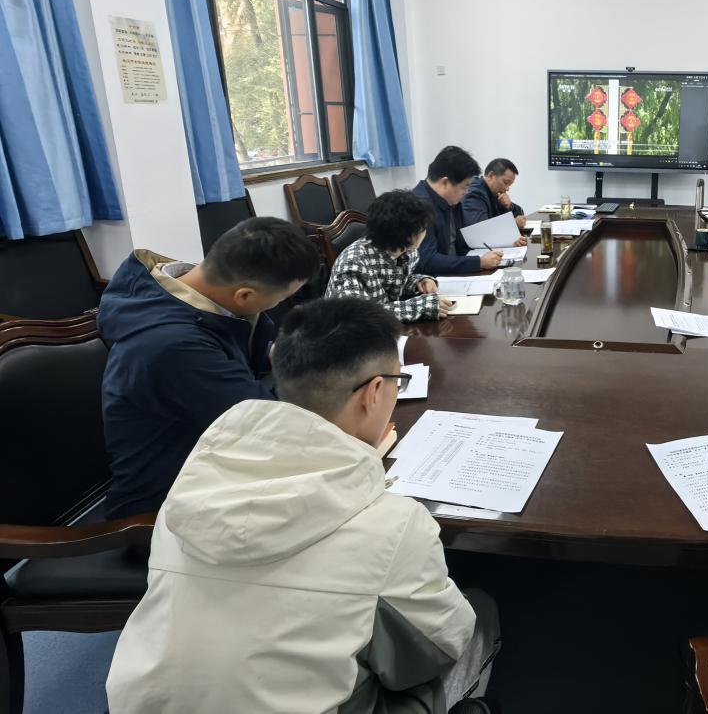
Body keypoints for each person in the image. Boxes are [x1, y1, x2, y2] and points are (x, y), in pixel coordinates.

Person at [106, 297, 500, 714]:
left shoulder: (191, 486)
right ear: (374, 392)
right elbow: (437, 650)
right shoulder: (396, 524)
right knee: (479, 615)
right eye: (396, 383)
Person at [98, 218, 318, 519]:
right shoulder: (174, 347)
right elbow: (272, 426)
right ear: (244, 295)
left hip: (215, 465)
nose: (278, 306)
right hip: (166, 508)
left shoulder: (190, 292)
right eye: (280, 299)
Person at [327, 190, 456, 322]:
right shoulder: (352, 264)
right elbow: (356, 316)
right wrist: (421, 306)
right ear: (410, 235)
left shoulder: (406, 250)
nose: (425, 231)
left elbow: (393, 281)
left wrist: (417, 282)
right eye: (423, 227)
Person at [412, 146, 503, 275]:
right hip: (433, 281)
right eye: (465, 187)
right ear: (445, 183)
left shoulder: (451, 201)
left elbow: (461, 245)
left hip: (456, 274)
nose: (466, 192)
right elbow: (426, 261)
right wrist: (478, 262)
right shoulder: (418, 207)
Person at [462, 158, 528, 245]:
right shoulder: (475, 193)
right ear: (491, 175)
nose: (507, 188)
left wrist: (509, 206)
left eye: (510, 185)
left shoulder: (495, 192)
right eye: (506, 182)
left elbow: (520, 213)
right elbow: (480, 231)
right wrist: (513, 224)